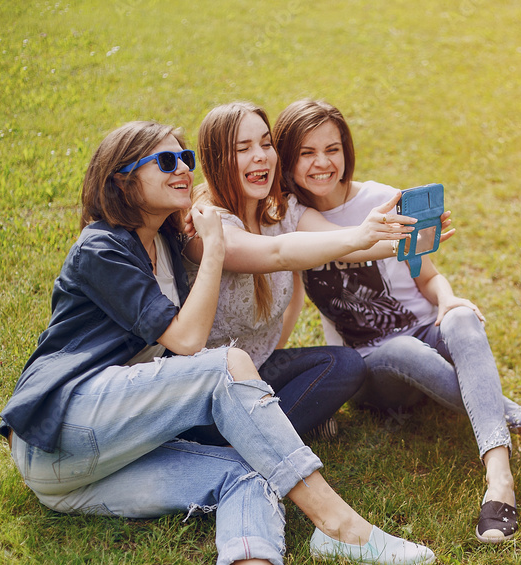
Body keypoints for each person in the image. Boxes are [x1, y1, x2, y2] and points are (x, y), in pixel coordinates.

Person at [0, 121, 435, 565]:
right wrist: (215, 243)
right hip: (61, 431)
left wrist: (381, 238)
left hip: (86, 473)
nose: (183, 167)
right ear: (122, 180)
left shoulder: (164, 241)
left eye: (185, 157)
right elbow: (187, 339)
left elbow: (286, 252)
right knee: (220, 364)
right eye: (165, 162)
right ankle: (342, 527)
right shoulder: (102, 249)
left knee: (247, 473)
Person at [272, 100, 521, 545]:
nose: (322, 163)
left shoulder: (382, 199)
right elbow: (295, 296)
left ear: (347, 151)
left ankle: (500, 479)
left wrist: (449, 301)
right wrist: (275, 362)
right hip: (370, 369)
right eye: (306, 153)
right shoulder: (294, 219)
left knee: (461, 320)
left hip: (424, 333)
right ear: (287, 159)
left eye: (332, 148)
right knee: (402, 349)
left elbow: (428, 275)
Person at [183, 101, 439, 439]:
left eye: (265, 143)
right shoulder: (207, 228)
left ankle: (262, 428)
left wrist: (408, 241)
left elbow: (337, 240)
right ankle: (242, 440)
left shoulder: (281, 212)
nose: (260, 155)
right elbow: (278, 254)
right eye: (243, 148)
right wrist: (363, 236)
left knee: (345, 365)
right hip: (210, 387)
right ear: (216, 160)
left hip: (260, 368)